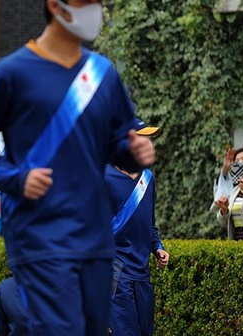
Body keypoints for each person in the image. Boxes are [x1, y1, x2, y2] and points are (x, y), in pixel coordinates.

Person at [0, 1, 156, 334]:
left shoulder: (102, 75)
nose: (95, 10)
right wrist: (14, 177)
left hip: (94, 237)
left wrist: (136, 153)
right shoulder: (11, 73)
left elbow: (118, 146)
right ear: (56, 6)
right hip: (38, 233)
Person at [104, 118, 169, 336]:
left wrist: (157, 247)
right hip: (114, 270)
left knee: (145, 332)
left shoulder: (147, 179)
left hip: (141, 271)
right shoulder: (105, 178)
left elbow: (149, 223)